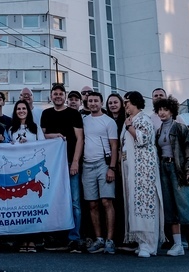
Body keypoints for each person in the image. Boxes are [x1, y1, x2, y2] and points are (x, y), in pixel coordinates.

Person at [154, 97, 189, 259]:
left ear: (172, 111)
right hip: (163, 169)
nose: (162, 113)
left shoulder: (181, 128)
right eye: (160, 110)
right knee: (170, 208)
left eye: (165, 109)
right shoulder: (158, 130)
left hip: (178, 170)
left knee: (187, 207)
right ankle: (177, 245)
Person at [42, 82, 84, 251]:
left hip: (70, 162)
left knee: (74, 202)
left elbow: (80, 139)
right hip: (52, 166)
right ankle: (56, 237)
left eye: (61, 94)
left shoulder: (74, 114)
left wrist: (75, 161)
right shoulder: (46, 114)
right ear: (51, 96)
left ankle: (74, 237)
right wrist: (55, 136)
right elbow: (42, 136)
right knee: (54, 200)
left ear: (65, 96)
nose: (58, 96)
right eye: (55, 94)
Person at [121, 91, 162, 258]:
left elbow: (143, 139)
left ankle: (149, 245)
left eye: (127, 102)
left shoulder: (144, 119)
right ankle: (141, 242)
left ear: (136, 103)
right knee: (135, 205)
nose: (125, 106)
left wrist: (129, 127)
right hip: (133, 169)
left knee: (146, 205)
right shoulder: (131, 120)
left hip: (144, 171)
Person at [82, 92, 119, 255]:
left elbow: (114, 146)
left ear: (101, 102)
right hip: (87, 165)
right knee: (92, 204)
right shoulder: (84, 120)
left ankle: (110, 240)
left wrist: (112, 167)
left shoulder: (109, 121)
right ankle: (99, 239)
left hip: (104, 164)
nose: (93, 103)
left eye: (96, 101)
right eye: (90, 101)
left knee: (106, 202)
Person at [7, 100, 44, 252]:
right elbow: (6, 150)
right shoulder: (11, 129)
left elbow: (43, 146)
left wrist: (28, 144)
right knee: (19, 205)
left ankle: (32, 240)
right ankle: (21, 240)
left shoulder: (35, 128)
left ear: (28, 111)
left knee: (32, 205)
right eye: (18, 109)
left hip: (33, 171)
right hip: (17, 172)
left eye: (24, 108)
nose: (21, 111)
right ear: (15, 112)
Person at [104, 93, 128, 247]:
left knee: (123, 200)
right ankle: (116, 237)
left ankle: (126, 236)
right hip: (109, 163)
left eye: (115, 102)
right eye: (110, 103)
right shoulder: (106, 119)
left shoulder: (126, 120)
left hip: (124, 163)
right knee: (114, 200)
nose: (113, 105)